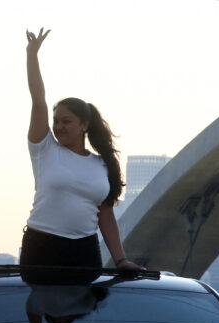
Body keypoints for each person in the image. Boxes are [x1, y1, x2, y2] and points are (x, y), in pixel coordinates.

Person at [23, 28, 140, 281]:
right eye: (56, 121)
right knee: (38, 310)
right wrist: (32, 55)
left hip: (84, 250)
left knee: (84, 313)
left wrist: (120, 259)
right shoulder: (45, 150)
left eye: (66, 121)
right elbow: (38, 100)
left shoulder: (101, 165)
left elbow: (105, 214)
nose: (59, 126)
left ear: (84, 124)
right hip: (41, 246)